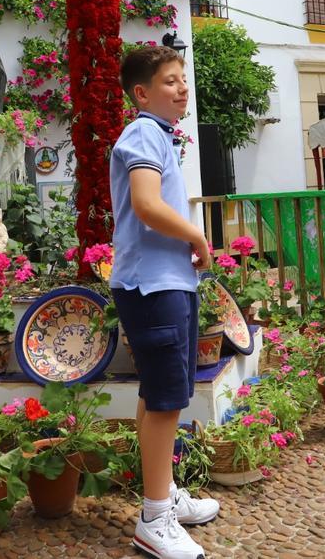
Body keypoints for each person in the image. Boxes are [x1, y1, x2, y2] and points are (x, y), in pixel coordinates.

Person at [108, 45, 218, 559]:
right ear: (142, 93)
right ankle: (154, 518)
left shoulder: (156, 135)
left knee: (158, 394)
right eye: (171, 81)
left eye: (182, 79)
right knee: (168, 399)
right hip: (154, 286)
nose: (182, 88)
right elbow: (149, 206)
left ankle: (164, 494)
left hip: (162, 282)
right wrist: (197, 237)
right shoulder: (144, 133)